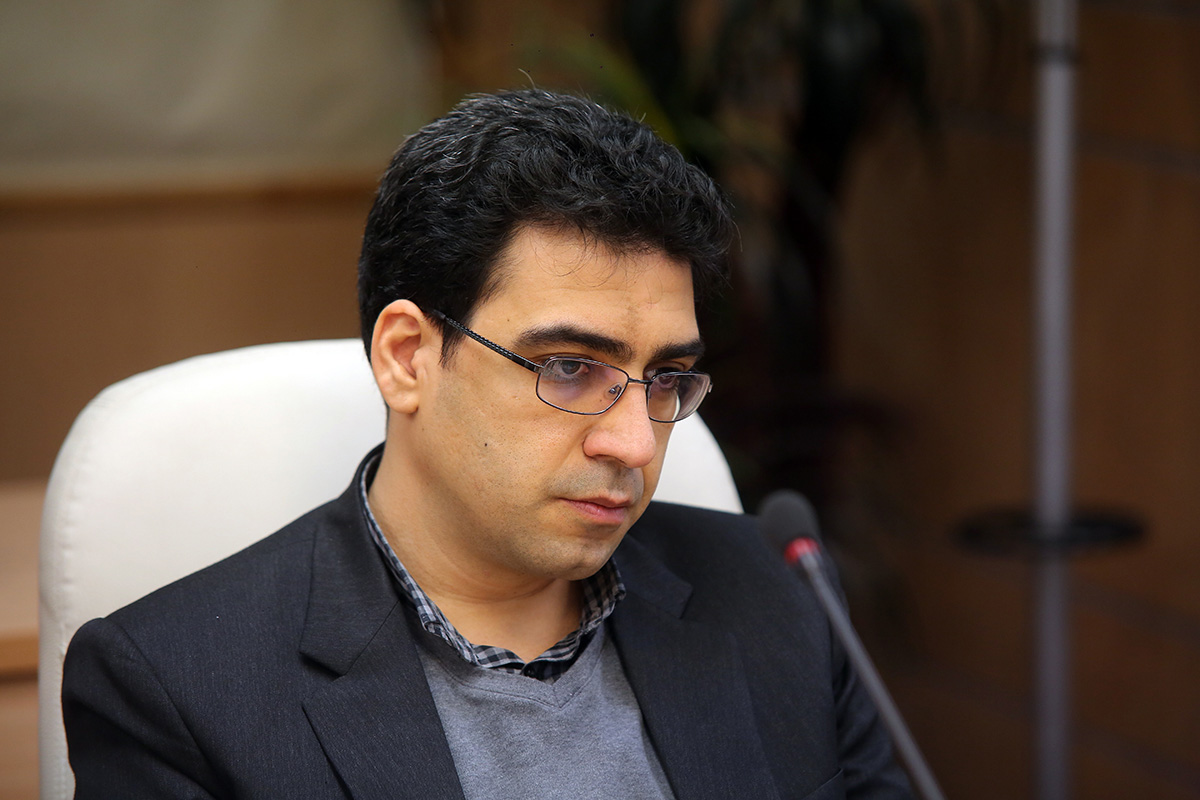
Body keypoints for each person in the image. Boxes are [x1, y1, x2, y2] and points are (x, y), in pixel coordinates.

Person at [62, 89, 911, 799]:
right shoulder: (175, 688)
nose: (634, 443)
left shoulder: (778, 596)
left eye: (664, 379)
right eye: (571, 368)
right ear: (407, 358)